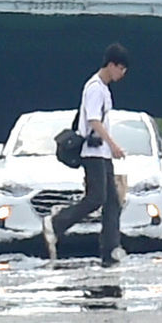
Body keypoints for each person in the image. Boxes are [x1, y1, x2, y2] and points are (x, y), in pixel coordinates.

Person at [43, 43, 129, 267]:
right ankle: (57, 223)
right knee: (96, 197)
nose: (122, 74)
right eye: (121, 69)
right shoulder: (94, 87)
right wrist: (114, 145)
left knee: (113, 202)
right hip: (93, 152)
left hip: (103, 153)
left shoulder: (104, 89)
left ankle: (110, 251)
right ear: (111, 65)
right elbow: (93, 120)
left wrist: (109, 149)